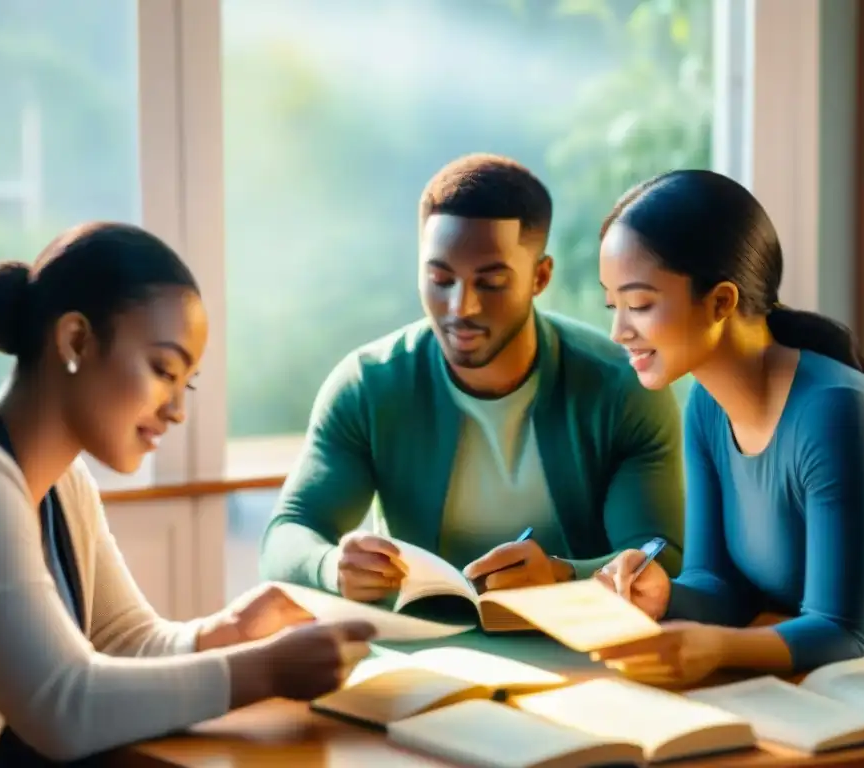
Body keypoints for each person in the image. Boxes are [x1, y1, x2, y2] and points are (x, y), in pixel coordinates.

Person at [0, 222, 376, 767]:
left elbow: (124, 641)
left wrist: (230, 631)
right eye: (163, 369)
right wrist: (267, 670)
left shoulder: (61, 482)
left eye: (184, 383)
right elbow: (63, 707)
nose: (177, 411)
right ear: (75, 340)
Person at [259, 153, 686, 603]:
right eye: (440, 278)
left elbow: (658, 553)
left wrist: (563, 574)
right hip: (418, 652)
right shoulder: (367, 386)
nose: (461, 307)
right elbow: (286, 534)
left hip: (581, 652)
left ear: (540, 277)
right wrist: (328, 566)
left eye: (491, 282)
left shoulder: (621, 388)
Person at [592, 169, 864, 686]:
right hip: (840, 693)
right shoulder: (706, 407)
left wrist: (719, 647)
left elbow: (842, 632)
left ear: (721, 302)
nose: (619, 331)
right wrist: (667, 593)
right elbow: (717, 583)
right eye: (613, 305)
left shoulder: (837, 413)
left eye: (640, 304)